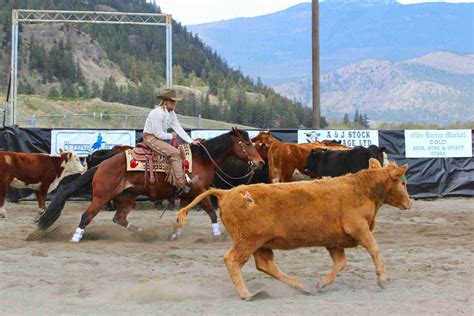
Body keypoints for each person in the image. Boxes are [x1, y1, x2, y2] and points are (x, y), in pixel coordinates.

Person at [143, 88, 199, 193]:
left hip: (158, 138)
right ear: (165, 101)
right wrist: (171, 136)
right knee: (175, 153)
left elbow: (178, 128)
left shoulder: (171, 114)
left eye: (175, 101)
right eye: (172, 101)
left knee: (176, 153)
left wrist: (191, 141)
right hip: (150, 138)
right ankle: (181, 183)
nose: (175, 103)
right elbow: (157, 133)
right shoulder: (157, 113)